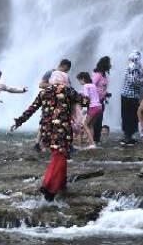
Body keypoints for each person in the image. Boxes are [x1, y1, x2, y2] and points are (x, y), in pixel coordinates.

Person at [11, 71, 88, 201]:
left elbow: (32, 108)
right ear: (64, 79)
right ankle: (49, 187)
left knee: (58, 155)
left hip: (47, 130)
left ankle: (61, 184)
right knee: (60, 156)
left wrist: (19, 121)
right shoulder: (68, 90)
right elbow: (85, 101)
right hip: (61, 129)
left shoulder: (44, 92)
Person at [34, 59, 72, 151]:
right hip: (49, 100)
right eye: (66, 70)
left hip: (61, 102)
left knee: (61, 121)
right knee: (45, 121)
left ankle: (65, 144)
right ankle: (38, 143)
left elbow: (68, 88)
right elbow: (41, 85)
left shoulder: (65, 76)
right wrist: (54, 85)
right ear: (63, 66)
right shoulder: (50, 73)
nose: (66, 72)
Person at [120, 50, 143, 146]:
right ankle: (127, 137)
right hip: (128, 96)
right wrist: (142, 82)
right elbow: (133, 81)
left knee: (131, 116)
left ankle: (129, 136)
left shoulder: (138, 67)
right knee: (128, 116)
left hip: (133, 96)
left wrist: (142, 81)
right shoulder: (132, 67)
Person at [77, 71, 100, 149]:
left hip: (93, 107)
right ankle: (90, 142)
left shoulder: (86, 86)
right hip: (99, 107)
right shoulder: (93, 85)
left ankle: (92, 143)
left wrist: (84, 108)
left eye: (79, 80)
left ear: (83, 79)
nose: (79, 82)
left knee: (84, 124)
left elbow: (86, 98)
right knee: (90, 125)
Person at [91, 56, 111, 144]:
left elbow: (101, 87)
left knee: (99, 120)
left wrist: (106, 94)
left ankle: (96, 139)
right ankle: (94, 139)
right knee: (96, 120)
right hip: (96, 102)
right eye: (109, 63)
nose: (110, 65)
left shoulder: (104, 75)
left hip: (101, 100)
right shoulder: (97, 75)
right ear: (105, 64)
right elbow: (91, 86)